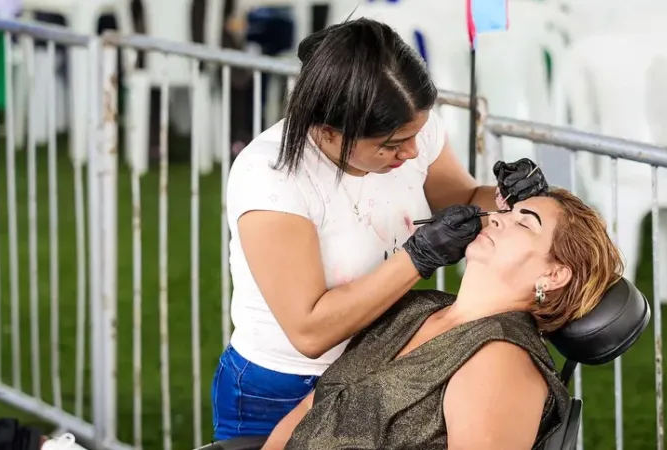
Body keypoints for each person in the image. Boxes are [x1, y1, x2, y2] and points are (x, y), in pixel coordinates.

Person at [212, 16, 548, 440]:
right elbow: (310, 330)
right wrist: (418, 257)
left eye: (417, 134)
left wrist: (513, 197)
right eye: (390, 145)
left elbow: (461, 199)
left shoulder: (412, 132)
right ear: (330, 133)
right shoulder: (274, 178)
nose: (410, 152)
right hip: (284, 385)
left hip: (376, 366)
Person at [258, 187, 624, 450]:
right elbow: (315, 406)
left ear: (554, 275)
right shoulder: (415, 307)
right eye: (505, 213)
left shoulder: (501, 363)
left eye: (524, 224)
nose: (496, 220)